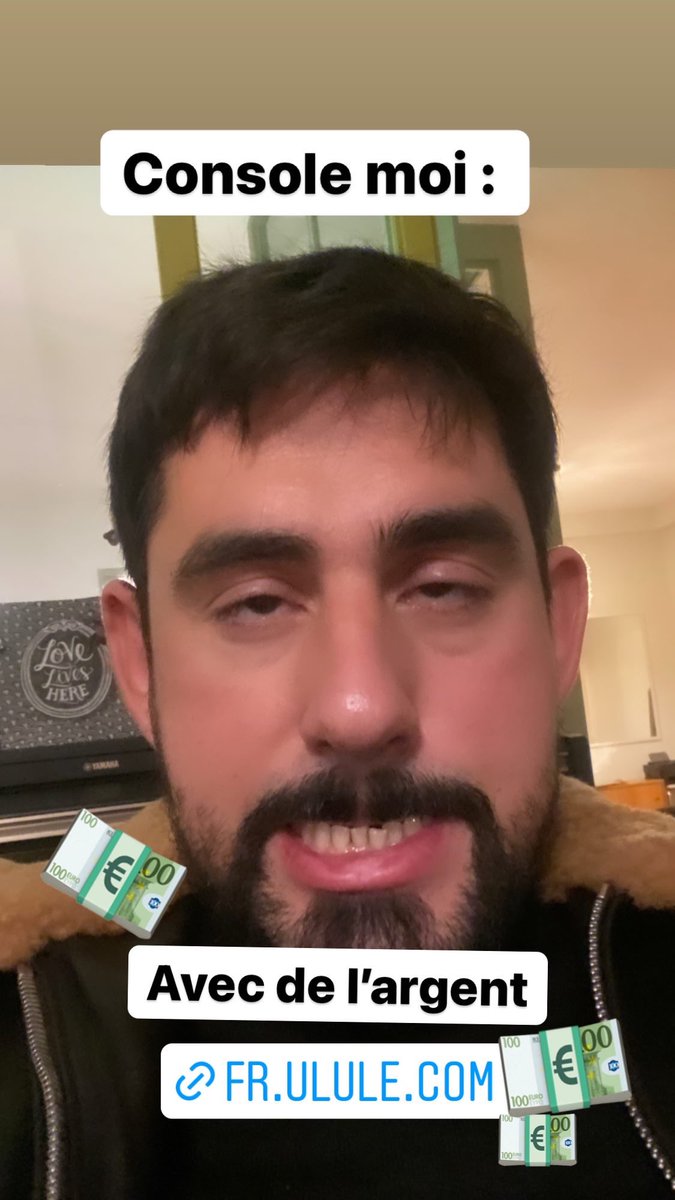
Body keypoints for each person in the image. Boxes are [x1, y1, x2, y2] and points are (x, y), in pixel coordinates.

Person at [1, 246, 675, 1199]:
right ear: (139, 664)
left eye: (442, 588)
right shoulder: (44, 1008)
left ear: (558, 628)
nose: (359, 708)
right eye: (256, 603)